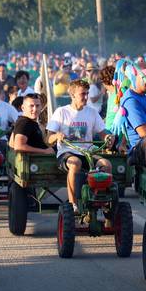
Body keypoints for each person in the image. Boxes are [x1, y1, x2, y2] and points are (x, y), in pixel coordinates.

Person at [46, 80, 112, 213]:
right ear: (72, 95)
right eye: (83, 94)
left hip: (87, 152)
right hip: (67, 152)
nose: (86, 97)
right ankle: (73, 204)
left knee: (106, 164)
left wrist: (107, 138)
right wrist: (57, 136)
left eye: (87, 93)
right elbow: (48, 138)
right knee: (75, 163)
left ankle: (102, 201)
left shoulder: (92, 112)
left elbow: (103, 133)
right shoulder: (61, 112)